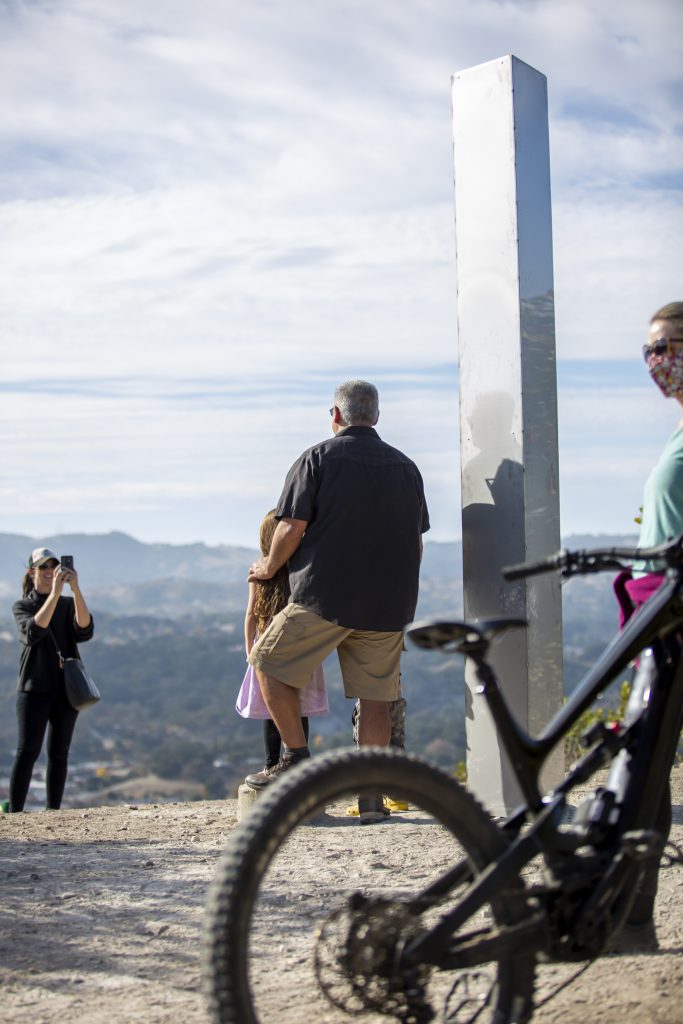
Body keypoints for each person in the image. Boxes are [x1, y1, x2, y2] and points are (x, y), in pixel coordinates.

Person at [244, 379, 429, 824]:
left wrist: (269, 568)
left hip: (324, 596)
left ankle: (298, 760)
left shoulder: (317, 459)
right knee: (375, 700)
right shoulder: (407, 468)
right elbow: (415, 543)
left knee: (267, 662)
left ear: (335, 415)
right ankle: (369, 798)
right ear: (377, 417)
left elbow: (289, 527)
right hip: (387, 604)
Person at [611, 301, 683, 950]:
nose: (658, 362)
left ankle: (630, 921)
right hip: (659, 617)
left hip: (675, 620)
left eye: (669, 346)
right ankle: (631, 918)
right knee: (645, 764)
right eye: (649, 352)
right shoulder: (677, 432)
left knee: (643, 764)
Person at [236, 509, 328, 776]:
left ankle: (270, 764)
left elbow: (251, 614)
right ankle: (298, 761)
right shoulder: (302, 571)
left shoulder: (259, 570)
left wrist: (250, 649)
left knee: (271, 710)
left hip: (265, 648)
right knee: (298, 713)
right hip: (300, 648)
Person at [9, 548, 94, 812]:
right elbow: (35, 631)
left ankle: (53, 812)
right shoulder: (23, 606)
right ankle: (15, 813)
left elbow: (84, 630)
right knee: (27, 752)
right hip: (34, 687)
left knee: (59, 754)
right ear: (31, 572)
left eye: (53, 568)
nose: (49, 573)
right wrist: (56, 593)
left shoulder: (68, 604)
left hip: (65, 690)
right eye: (43, 568)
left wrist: (76, 590)